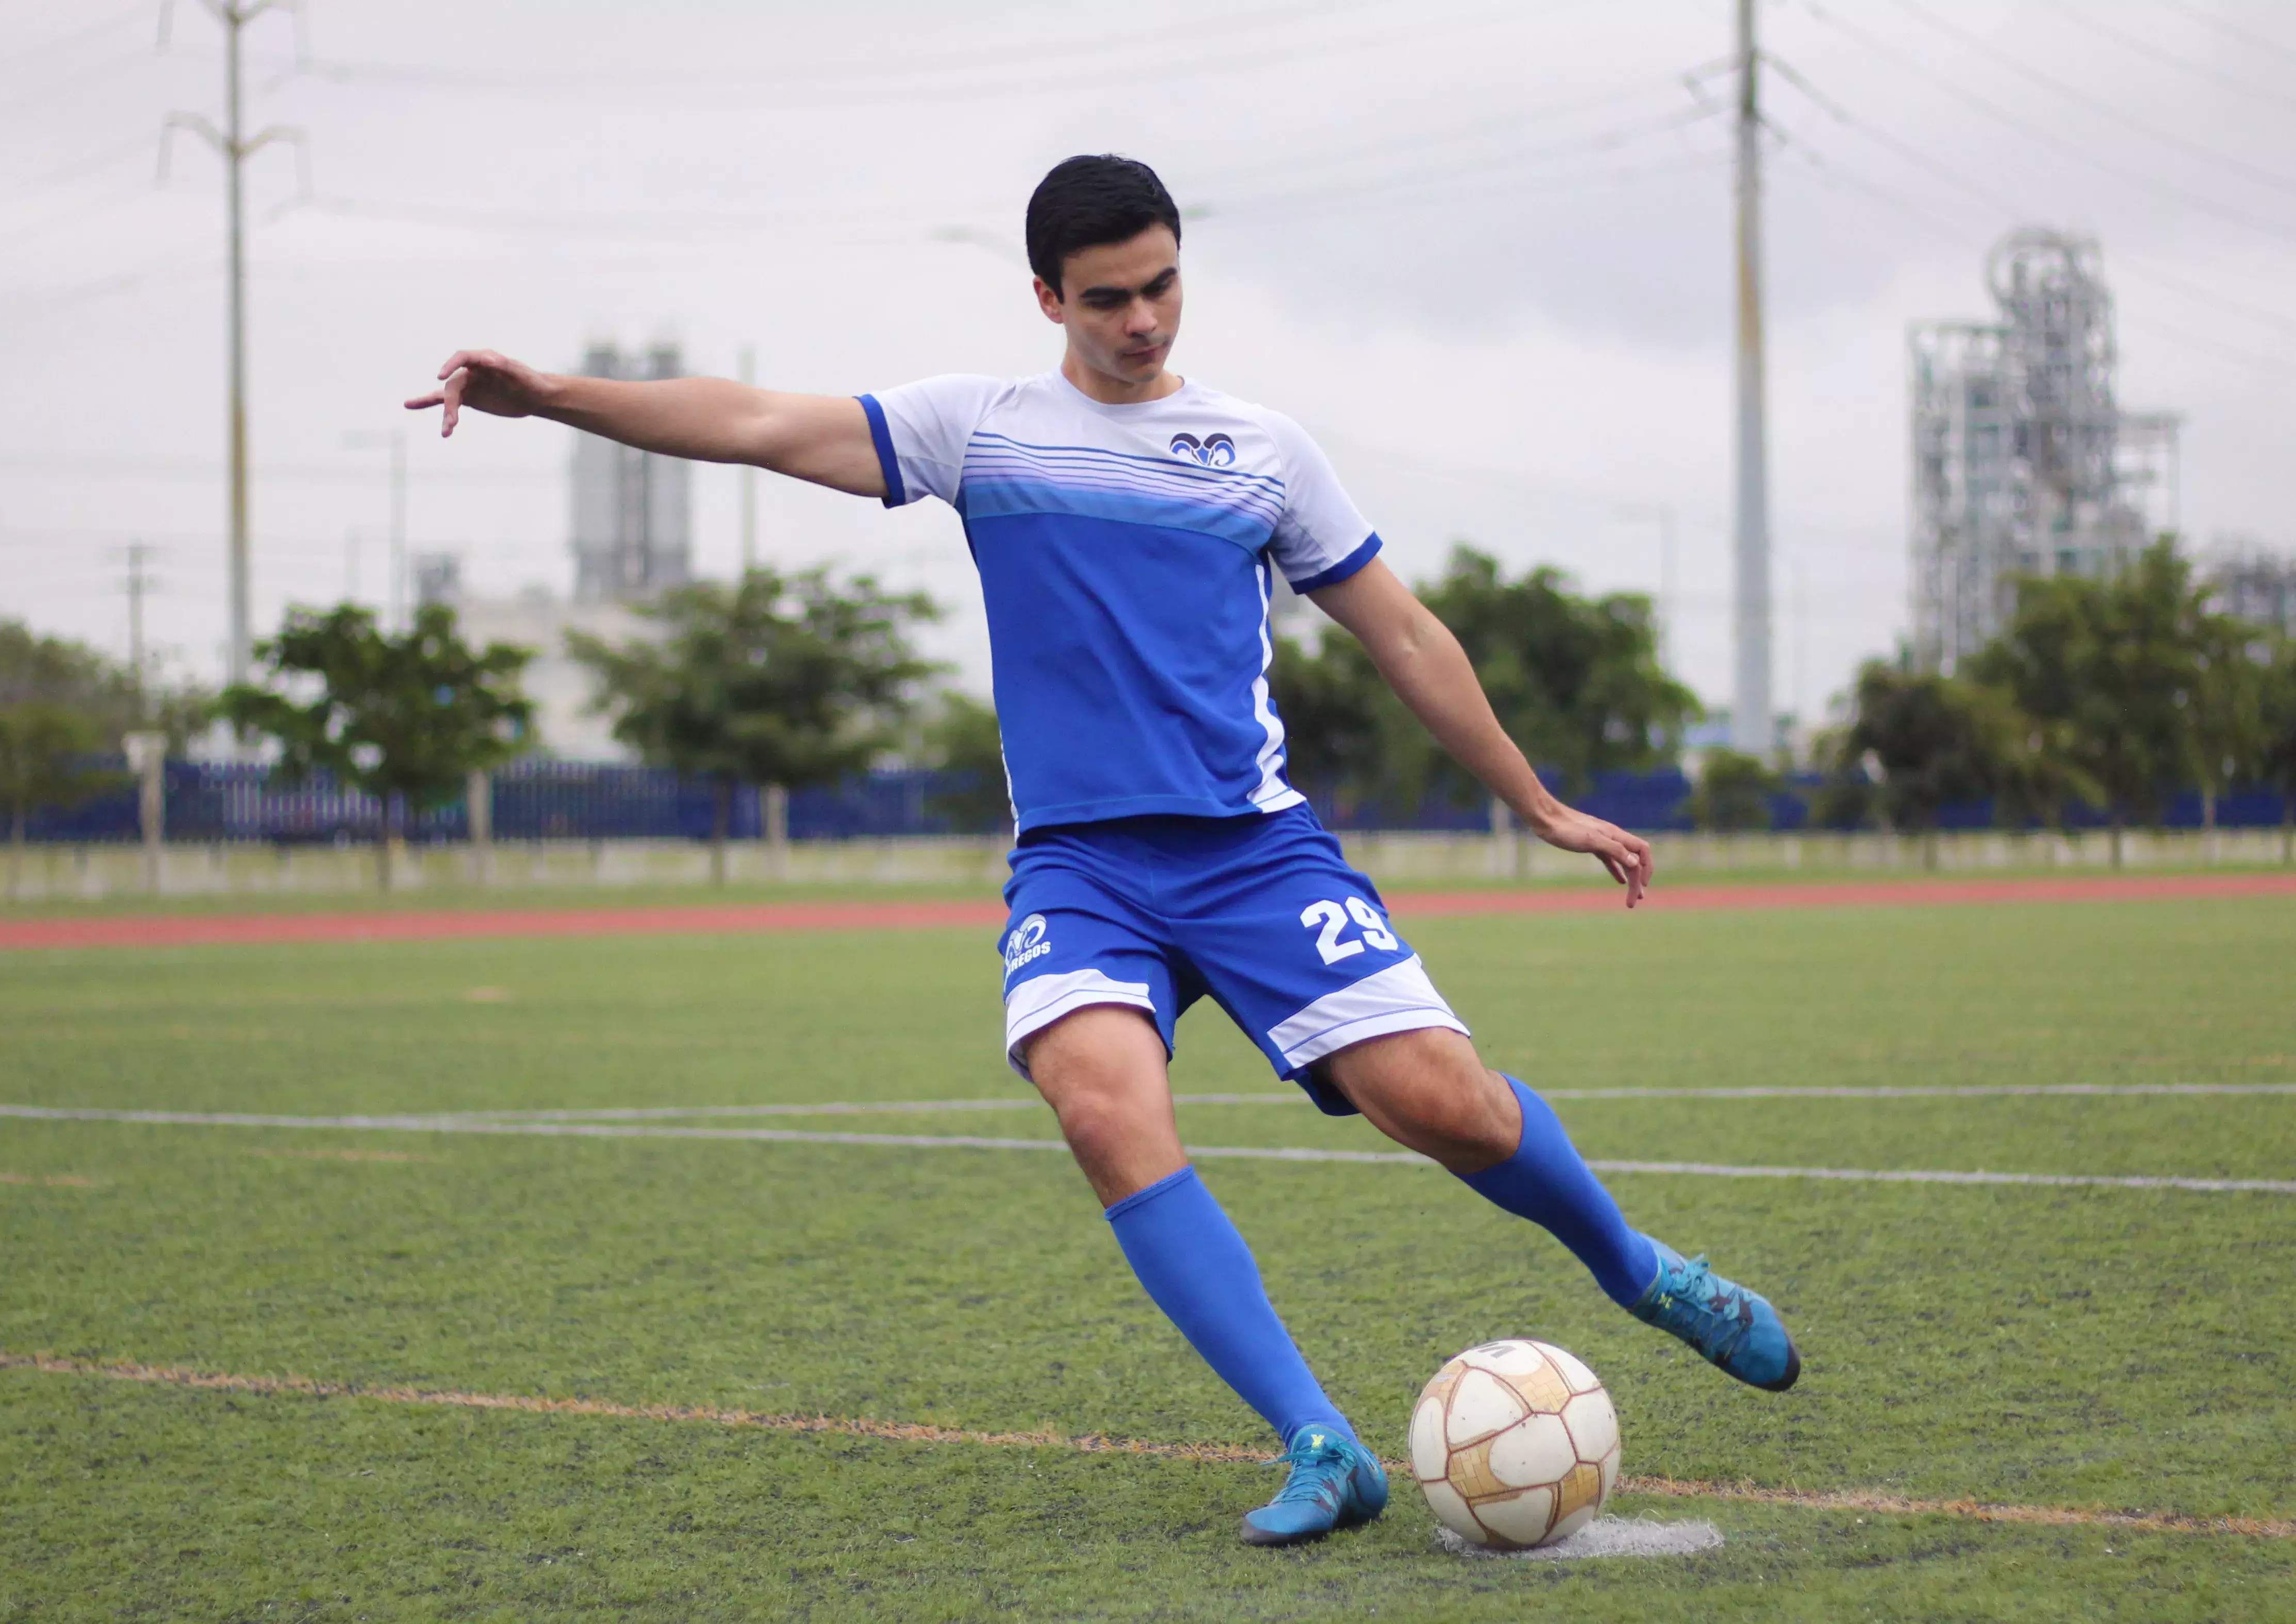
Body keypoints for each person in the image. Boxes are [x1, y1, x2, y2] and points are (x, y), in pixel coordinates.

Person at [407, 153, 1799, 1548]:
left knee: (1447, 1107)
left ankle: (1637, 1269)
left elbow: (1407, 635)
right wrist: (554, 398)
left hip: (1252, 853)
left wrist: (1537, 801)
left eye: (1163, 286)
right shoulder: (983, 431)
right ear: (1048, 298)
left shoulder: (1262, 450)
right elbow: (762, 420)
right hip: (1082, 868)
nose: (1143, 321)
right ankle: (1321, 1441)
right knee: (1100, 1107)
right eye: (1110, 299)